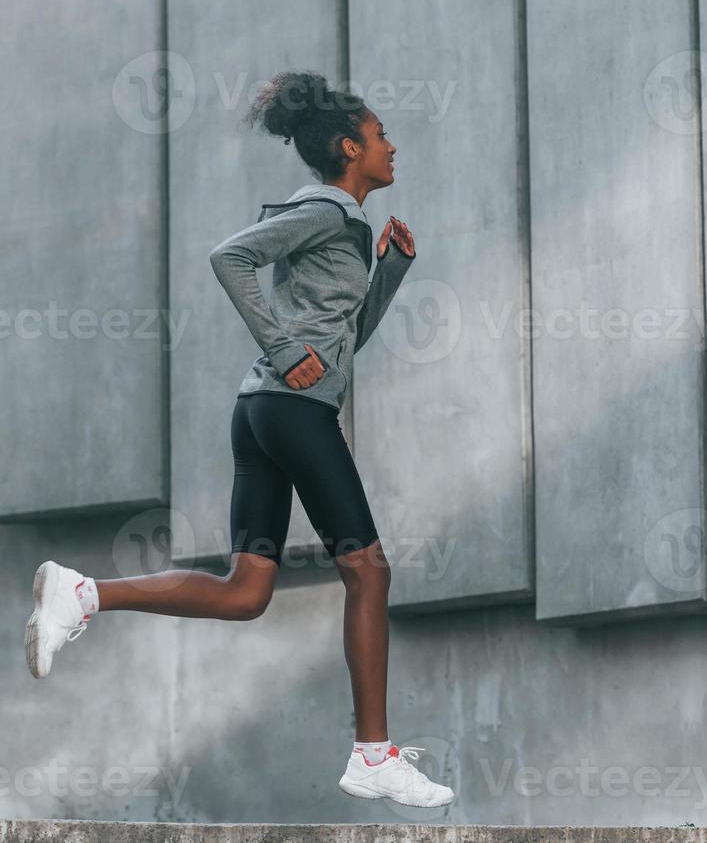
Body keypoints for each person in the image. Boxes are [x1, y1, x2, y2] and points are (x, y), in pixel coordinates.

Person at [24, 70, 453, 808]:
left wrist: (389, 271)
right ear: (350, 147)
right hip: (290, 408)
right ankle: (373, 755)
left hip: (265, 409)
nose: (392, 146)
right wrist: (287, 350)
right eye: (381, 135)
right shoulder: (321, 209)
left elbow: (346, 340)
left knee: (247, 591)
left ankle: (82, 593)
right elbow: (230, 257)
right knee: (370, 572)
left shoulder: (343, 225)